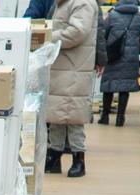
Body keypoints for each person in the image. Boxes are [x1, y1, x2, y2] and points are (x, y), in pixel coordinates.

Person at [44, 0, 103, 178]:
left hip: (74, 67)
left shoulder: (82, 2)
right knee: (56, 113)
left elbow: (77, 32)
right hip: (62, 66)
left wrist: (49, 37)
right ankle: (54, 155)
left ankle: (79, 159)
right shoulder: (64, 2)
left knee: (73, 116)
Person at [98, 1, 140, 125]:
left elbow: (104, 33)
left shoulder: (112, 15)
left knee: (109, 85)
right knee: (125, 87)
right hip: (131, 55)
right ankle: (120, 118)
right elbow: (139, 33)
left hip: (114, 54)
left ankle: (105, 117)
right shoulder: (138, 16)